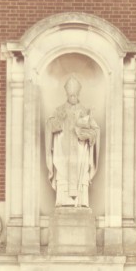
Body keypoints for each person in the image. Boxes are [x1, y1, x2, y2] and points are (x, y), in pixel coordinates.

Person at [45, 74, 100, 207]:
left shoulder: (85, 111)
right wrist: (59, 121)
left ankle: (81, 203)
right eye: (71, 95)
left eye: (75, 95)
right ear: (67, 95)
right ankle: (63, 203)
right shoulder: (59, 110)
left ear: (78, 94)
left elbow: (96, 131)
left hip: (81, 153)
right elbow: (49, 126)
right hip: (63, 153)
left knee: (81, 178)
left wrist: (87, 134)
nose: (73, 97)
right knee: (63, 175)